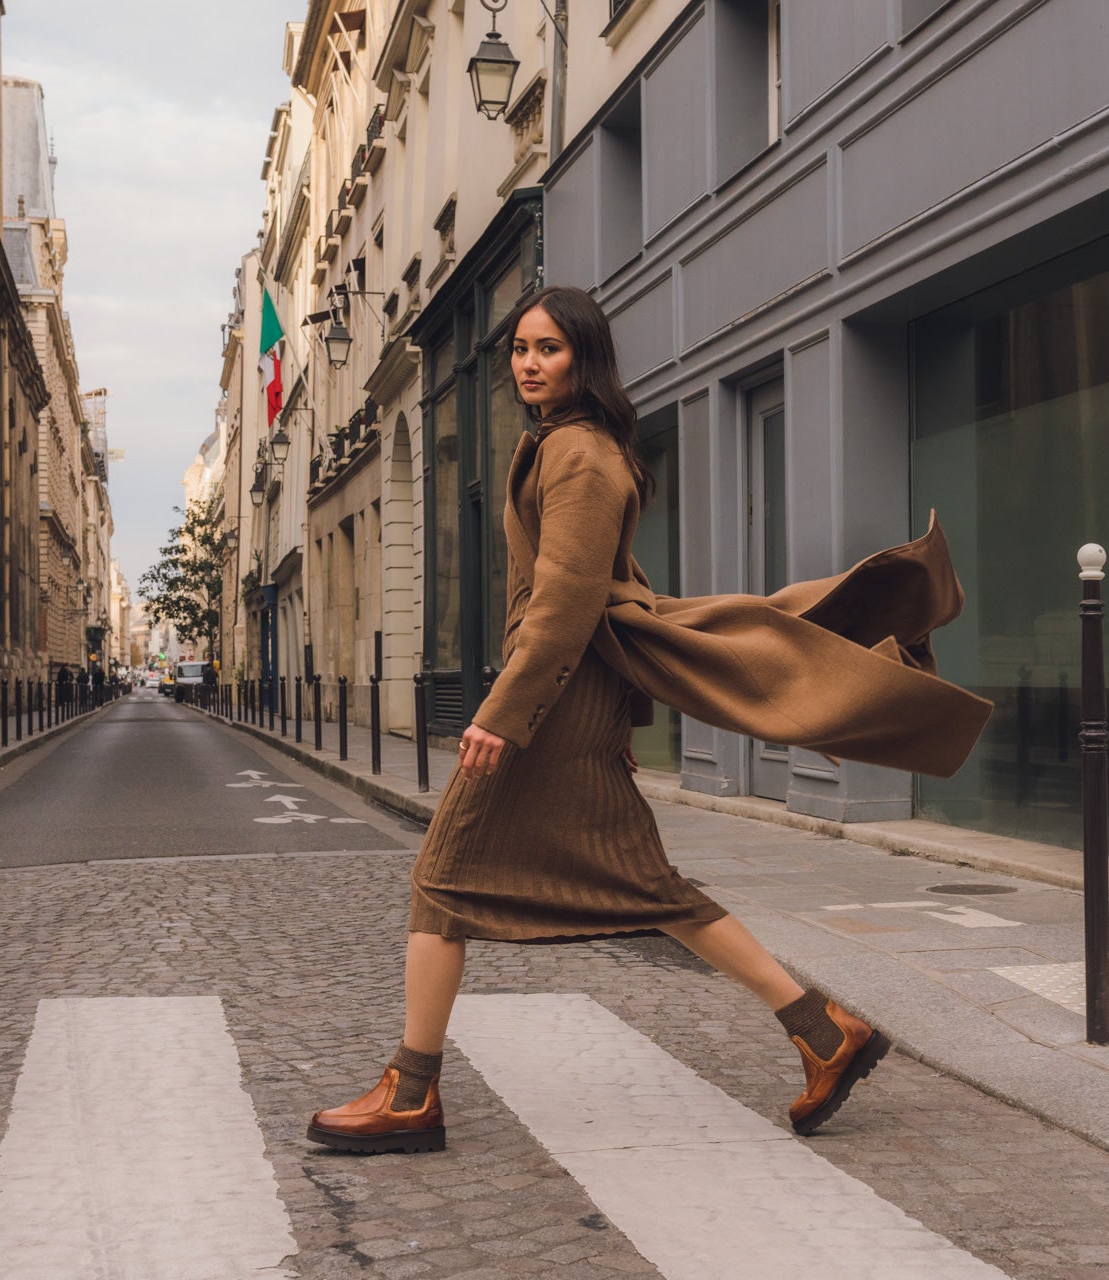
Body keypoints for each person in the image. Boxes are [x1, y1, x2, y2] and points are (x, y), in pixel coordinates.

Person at [307, 286, 990, 1156]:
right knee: (637, 882)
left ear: (584, 358)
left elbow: (567, 603)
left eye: (547, 348)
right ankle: (823, 1031)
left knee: (444, 881)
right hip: (569, 699)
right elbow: (598, 606)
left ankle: (411, 1093)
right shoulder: (562, 446)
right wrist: (608, 720)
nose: (527, 363)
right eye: (519, 349)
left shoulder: (583, 456)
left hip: (547, 702)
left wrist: (503, 714)